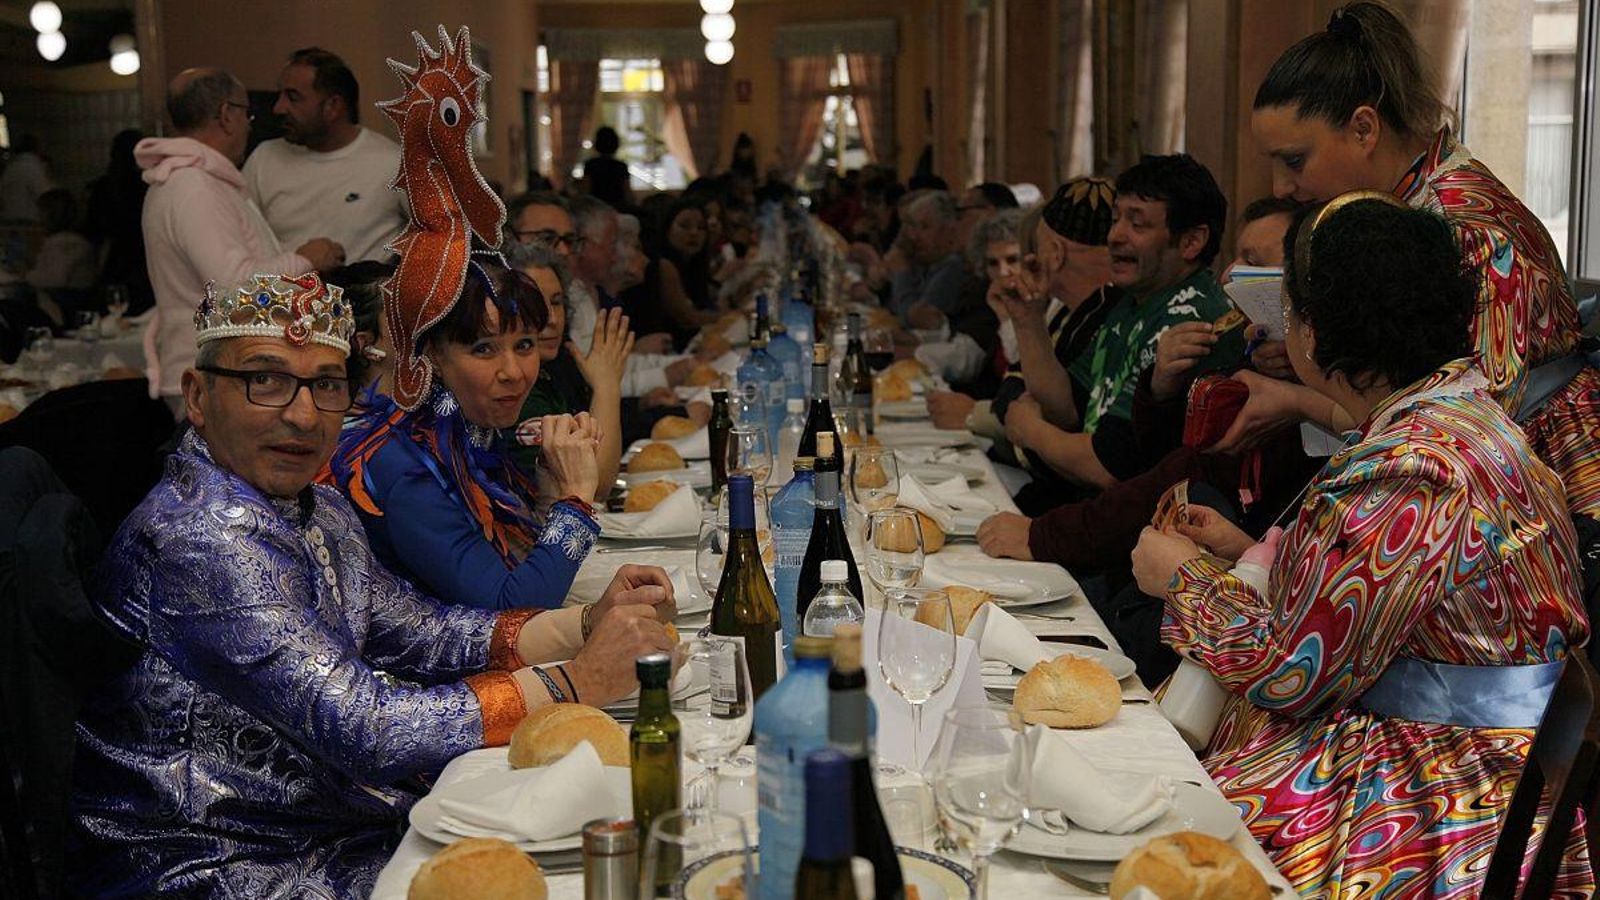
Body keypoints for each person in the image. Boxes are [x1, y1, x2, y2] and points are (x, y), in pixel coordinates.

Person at [71, 269, 675, 896]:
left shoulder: (316, 505)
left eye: (326, 384)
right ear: (197, 396)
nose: (304, 415)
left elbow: (424, 633)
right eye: (266, 381)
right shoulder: (199, 538)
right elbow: (370, 729)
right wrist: (577, 680)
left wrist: (581, 624)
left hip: (329, 821)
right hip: (224, 863)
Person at [1131, 194, 1592, 897]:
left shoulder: (1410, 466)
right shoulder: (1465, 417)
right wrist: (1243, 556)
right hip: (1489, 760)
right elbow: (1384, 601)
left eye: (1291, 313)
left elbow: (1296, 671)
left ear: (1315, 334)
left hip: (1439, 796)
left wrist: (1183, 580)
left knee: (1169, 832)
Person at [1224, 2, 1600, 521]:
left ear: (1363, 128)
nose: (1281, 189)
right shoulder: (1411, 204)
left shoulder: (1467, 227)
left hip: (1548, 493)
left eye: (1294, 161)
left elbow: (1465, 427)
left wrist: (1301, 397)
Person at [327, 262, 604, 611]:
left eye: (524, 345)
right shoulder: (398, 461)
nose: (513, 373)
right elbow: (515, 609)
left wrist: (553, 488)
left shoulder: (466, 431)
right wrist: (576, 498)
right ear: (433, 356)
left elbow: (522, 567)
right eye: (484, 349)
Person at [1000, 155, 1245, 490]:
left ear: (1191, 241)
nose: (1114, 236)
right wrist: (1028, 320)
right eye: (1115, 219)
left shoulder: (1186, 320)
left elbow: (1107, 468)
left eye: (1137, 224)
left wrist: (1031, 432)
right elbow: (1069, 407)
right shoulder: (1131, 302)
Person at [138, 68, 344, 413]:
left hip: (224, 370)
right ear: (226, 115)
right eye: (247, 114)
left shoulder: (202, 180)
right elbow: (233, 290)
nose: (250, 125)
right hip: (214, 375)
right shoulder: (193, 186)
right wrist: (306, 259)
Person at [244, 47, 408, 263]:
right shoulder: (264, 158)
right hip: (280, 292)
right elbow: (237, 238)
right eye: (280, 96)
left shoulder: (393, 163)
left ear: (333, 106)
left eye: (293, 98)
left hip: (360, 293)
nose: (278, 108)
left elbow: (440, 239)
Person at [507, 242, 629, 494]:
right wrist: (607, 387)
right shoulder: (514, 387)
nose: (552, 319)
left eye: (557, 302)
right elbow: (596, 486)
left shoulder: (559, 365)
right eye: (537, 304)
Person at [85, 128, 155, 314]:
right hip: (145, 261)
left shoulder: (104, 187)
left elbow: (94, 235)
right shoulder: (149, 186)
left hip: (115, 263)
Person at [26, 189, 95, 296]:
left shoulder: (61, 243)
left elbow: (55, 280)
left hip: (69, 302)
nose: (37, 217)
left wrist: (24, 276)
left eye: (40, 212)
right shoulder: (73, 240)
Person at [0, 134, 52, 222]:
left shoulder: (10, 168)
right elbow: (45, 195)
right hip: (29, 220)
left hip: (8, 219)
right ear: (37, 148)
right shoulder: (33, 167)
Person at [582, 125, 634, 209]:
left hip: (596, 208)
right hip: (617, 207)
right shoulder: (621, 166)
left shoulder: (591, 165)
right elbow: (627, 192)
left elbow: (585, 190)